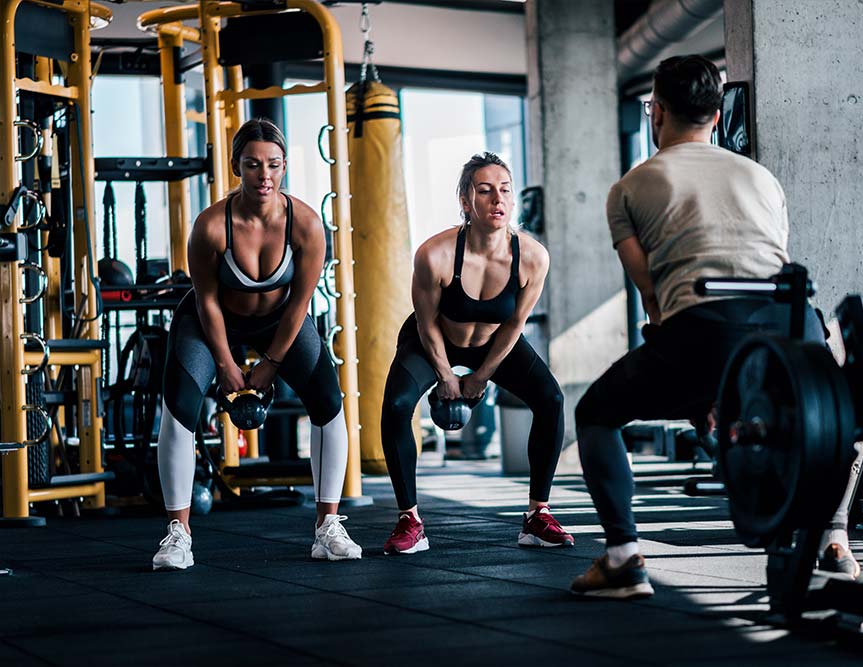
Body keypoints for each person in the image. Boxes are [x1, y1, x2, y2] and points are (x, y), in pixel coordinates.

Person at [570, 56, 860, 599]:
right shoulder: (761, 177)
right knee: (838, 418)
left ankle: (623, 559)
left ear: (655, 111)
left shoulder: (631, 188)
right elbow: (771, 266)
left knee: (596, 413)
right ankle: (834, 541)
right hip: (792, 324)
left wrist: (699, 387)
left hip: (703, 325)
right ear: (717, 113)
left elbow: (655, 299)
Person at [151, 118, 361, 570]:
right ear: (236, 167)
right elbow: (206, 303)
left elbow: (300, 303)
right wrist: (227, 365)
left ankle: (327, 526)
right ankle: (177, 534)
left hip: (279, 321)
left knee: (328, 401)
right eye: (252, 165)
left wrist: (270, 363)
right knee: (181, 406)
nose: (264, 175)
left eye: (273, 164)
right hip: (212, 320)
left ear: (284, 167)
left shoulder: (305, 224)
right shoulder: (210, 226)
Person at [379, 152, 573, 555]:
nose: (496, 199)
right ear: (466, 201)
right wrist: (446, 375)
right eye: (484, 191)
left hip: (495, 342)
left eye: (504, 190)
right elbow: (426, 322)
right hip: (434, 337)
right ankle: (409, 519)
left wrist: (482, 375)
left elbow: (515, 324)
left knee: (551, 400)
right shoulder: (435, 254)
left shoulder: (532, 257)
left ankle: (538, 515)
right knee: (397, 404)